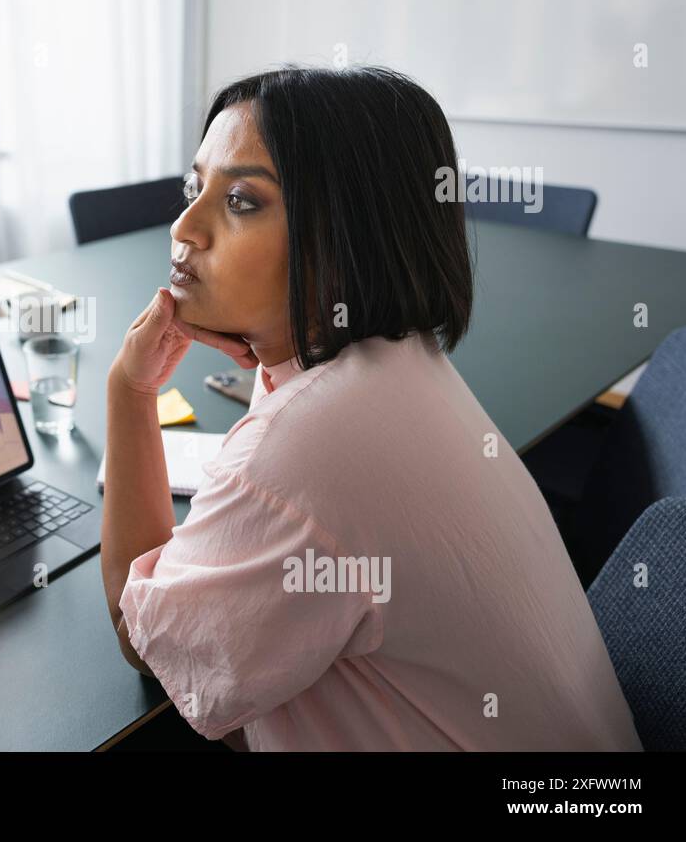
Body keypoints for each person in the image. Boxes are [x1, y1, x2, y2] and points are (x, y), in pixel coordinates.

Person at [100, 66, 642, 751]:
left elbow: (142, 638)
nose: (184, 226)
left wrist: (129, 389)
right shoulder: (399, 360)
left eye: (240, 200)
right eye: (193, 186)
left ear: (344, 234)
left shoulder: (302, 450)